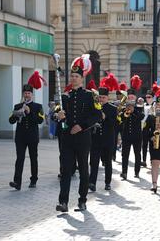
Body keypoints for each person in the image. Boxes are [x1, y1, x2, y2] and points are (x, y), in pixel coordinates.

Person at [56, 57, 102, 212]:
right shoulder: (65, 96)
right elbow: (56, 116)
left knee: (83, 169)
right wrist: (59, 116)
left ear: (82, 78)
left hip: (83, 138)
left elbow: (97, 115)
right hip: (67, 138)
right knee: (66, 170)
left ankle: (82, 200)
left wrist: (82, 126)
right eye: (72, 76)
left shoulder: (90, 95)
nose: (74, 79)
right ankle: (63, 202)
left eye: (77, 76)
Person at [9, 83, 44, 190]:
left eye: (29, 93)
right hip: (20, 137)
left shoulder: (38, 106)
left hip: (32, 137)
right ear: (23, 94)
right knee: (19, 158)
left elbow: (40, 120)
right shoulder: (17, 106)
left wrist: (29, 112)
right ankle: (17, 182)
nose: (27, 95)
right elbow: (10, 120)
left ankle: (33, 179)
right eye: (25, 93)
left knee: (33, 158)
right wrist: (16, 114)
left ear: (32, 95)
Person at [89, 87, 117, 191]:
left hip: (108, 139)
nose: (101, 99)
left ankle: (108, 182)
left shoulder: (112, 108)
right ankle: (92, 182)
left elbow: (114, 124)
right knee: (93, 162)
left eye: (103, 97)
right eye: (100, 97)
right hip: (95, 139)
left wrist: (105, 117)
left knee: (108, 162)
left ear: (107, 97)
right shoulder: (94, 107)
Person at [120, 87, 145, 180]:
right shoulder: (124, 106)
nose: (130, 98)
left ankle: (137, 172)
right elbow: (121, 118)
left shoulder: (139, 106)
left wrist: (133, 111)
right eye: (129, 97)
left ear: (135, 97)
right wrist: (125, 111)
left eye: (132, 97)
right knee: (124, 154)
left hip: (137, 135)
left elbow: (141, 117)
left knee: (137, 154)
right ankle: (124, 172)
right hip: (126, 134)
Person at [141, 90, 155, 167]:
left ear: (153, 98)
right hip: (145, 126)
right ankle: (143, 160)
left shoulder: (155, 104)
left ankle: (152, 160)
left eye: (149, 97)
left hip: (153, 126)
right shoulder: (144, 105)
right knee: (144, 144)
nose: (147, 98)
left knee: (152, 144)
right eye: (146, 97)